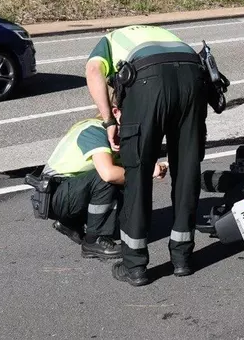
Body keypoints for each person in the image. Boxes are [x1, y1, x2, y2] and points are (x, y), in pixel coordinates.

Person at [85, 25, 209, 286]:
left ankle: (135, 266)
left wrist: (109, 121)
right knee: (187, 170)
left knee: (138, 173)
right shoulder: (159, 33)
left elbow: (93, 71)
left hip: (147, 80)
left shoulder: (108, 41)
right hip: (192, 75)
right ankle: (183, 259)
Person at [44, 90, 168, 261]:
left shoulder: (119, 134)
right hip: (56, 194)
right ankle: (94, 241)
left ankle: (72, 222)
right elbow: (108, 174)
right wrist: (147, 173)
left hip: (70, 190)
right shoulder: (95, 130)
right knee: (108, 178)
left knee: (126, 176)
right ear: (116, 112)